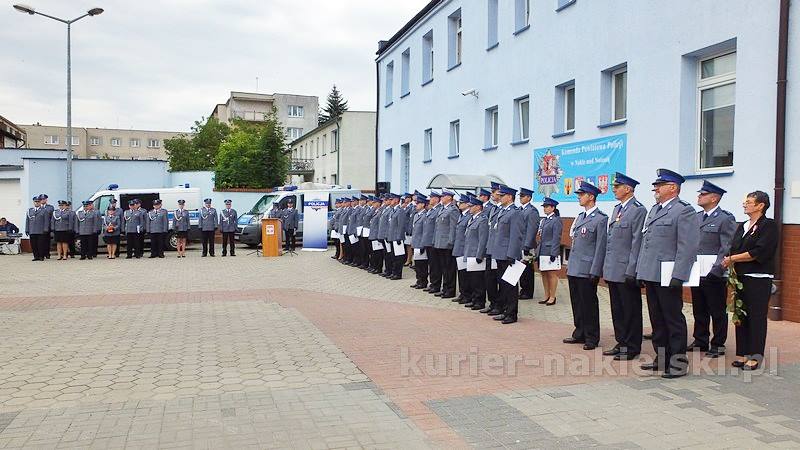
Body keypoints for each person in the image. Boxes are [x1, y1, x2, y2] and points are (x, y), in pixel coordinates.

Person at [636, 168, 699, 379]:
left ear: (672, 188)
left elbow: (687, 246)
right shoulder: (654, 210)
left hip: (669, 274)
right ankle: (661, 357)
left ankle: (678, 363)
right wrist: (641, 271)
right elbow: (647, 243)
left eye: (659, 185)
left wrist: (679, 275)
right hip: (652, 272)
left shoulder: (683, 211)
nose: (655, 189)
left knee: (672, 318)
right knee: (657, 318)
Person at [722, 191, 778, 371]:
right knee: (740, 315)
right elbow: (733, 247)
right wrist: (731, 258)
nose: (744, 204)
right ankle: (743, 352)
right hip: (741, 277)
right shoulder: (743, 225)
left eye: (749, 202)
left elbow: (759, 252)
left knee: (756, 316)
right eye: (744, 201)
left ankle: (755, 356)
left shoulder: (768, 226)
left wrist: (733, 259)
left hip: (759, 278)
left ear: (761, 205)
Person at [601, 173, 647, 361]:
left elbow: (637, 241)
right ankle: (621, 341)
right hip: (614, 268)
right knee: (617, 308)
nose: (614, 189)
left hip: (627, 269)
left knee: (630, 309)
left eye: (617, 186)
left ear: (628, 189)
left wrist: (632, 268)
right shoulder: (617, 209)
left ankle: (632, 346)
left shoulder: (638, 210)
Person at [690, 180, 737, 358]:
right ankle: (700, 340)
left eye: (703, 194)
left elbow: (726, 246)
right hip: (697, 270)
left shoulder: (725, 218)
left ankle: (718, 344)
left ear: (714, 198)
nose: (699, 197)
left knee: (716, 309)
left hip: (714, 272)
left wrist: (717, 269)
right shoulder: (696, 217)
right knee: (699, 308)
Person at [563, 181, 608, 350]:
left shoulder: (601, 218)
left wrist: (595, 270)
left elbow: (600, 246)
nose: (579, 198)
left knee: (589, 304)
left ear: (591, 197)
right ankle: (579, 331)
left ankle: (592, 337)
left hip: (587, 269)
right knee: (577, 302)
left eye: (582, 195)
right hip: (575, 267)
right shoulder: (580, 217)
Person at [487, 185, 524, 324]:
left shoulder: (515, 212)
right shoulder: (503, 211)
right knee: (503, 284)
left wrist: (512, 255)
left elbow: (516, 235)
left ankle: (511, 314)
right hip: (500, 253)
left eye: (502, 196)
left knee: (510, 285)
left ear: (509, 197)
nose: (500, 197)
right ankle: (505, 310)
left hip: (508, 254)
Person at [481, 183, 503, 315]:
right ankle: (492, 303)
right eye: (495, 193)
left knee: (497, 279)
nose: (495, 195)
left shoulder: (504, 210)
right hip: (490, 248)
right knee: (489, 279)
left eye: (498, 193)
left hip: (498, 250)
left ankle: (499, 305)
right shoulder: (494, 209)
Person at [463, 196, 488, 310]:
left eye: (471, 206)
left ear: (478, 207)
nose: (469, 208)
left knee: (478, 280)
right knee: (472, 279)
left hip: (476, 254)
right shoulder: (472, 219)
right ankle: (474, 299)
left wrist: (480, 255)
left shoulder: (482, 220)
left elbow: (482, 240)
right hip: (470, 253)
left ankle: (479, 301)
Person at [536, 198, 562, 306]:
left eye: (547, 207)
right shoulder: (544, 220)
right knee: (544, 273)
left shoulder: (556, 220)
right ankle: (546, 295)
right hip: (542, 250)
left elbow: (557, 237)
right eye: (544, 207)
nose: (545, 209)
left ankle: (552, 296)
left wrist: (554, 253)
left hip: (550, 250)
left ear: (553, 208)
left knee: (552, 274)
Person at [519, 187, 541, 300]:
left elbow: (532, 229)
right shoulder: (520, 209)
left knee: (527, 269)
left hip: (527, 244)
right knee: (520, 268)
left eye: (522, 196)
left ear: (529, 197)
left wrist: (527, 245)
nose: (520, 198)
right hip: (519, 244)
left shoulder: (532, 211)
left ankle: (528, 291)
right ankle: (523, 289)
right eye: (520, 196)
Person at [451, 194, 473, 304]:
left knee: (466, 274)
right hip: (459, 248)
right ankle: (463, 294)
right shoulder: (462, 215)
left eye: (462, 202)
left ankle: (467, 295)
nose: (459, 204)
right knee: (461, 273)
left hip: (464, 249)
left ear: (467, 205)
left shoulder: (469, 216)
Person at [422, 192, 442, 292]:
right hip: (429, 241)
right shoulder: (432, 210)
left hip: (434, 241)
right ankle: (433, 283)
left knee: (435, 265)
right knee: (432, 264)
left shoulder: (439, 210)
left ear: (437, 199)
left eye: (431, 197)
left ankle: (436, 285)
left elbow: (437, 228)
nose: (430, 199)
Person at [386, 193, 409, 280]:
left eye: (392, 199)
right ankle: (393, 272)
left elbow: (401, 225)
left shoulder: (400, 211)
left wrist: (399, 237)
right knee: (393, 256)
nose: (390, 201)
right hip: (392, 236)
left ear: (396, 200)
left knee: (398, 257)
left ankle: (397, 274)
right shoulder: (393, 210)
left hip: (397, 237)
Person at [410, 194, 430, 288]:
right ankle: (418, 280)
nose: (416, 205)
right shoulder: (416, 215)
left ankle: (423, 282)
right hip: (415, 243)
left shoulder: (425, 215)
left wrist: (422, 245)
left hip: (421, 244)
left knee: (422, 265)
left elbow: (425, 232)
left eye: (418, 203)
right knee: (417, 264)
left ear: (422, 205)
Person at [25, 196, 47, 261]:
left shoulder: (44, 210)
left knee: (41, 244)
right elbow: (27, 221)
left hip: (40, 230)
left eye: (38, 201)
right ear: (33, 202)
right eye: (35, 201)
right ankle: (36, 256)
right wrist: (27, 229)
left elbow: (46, 221)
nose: (37, 203)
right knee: (33, 245)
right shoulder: (30, 210)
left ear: (40, 202)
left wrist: (45, 229)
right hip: (32, 230)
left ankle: (41, 256)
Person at [38, 194, 54, 259]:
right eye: (41, 199)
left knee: (47, 241)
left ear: (46, 200)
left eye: (44, 199)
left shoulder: (50, 207)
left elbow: (52, 218)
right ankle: (41, 253)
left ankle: (47, 253)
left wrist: (51, 227)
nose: (42, 200)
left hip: (47, 226)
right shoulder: (38, 207)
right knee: (40, 241)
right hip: (39, 227)